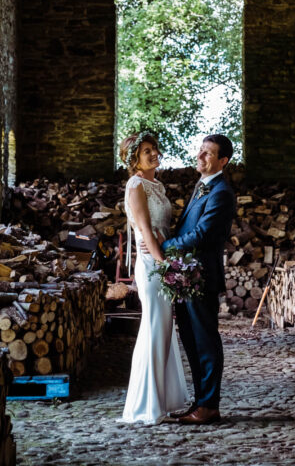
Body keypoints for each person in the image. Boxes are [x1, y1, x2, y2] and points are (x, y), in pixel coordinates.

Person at [160, 134, 236, 425]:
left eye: (208, 153)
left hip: (201, 276)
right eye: (201, 150)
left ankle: (209, 406)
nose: (200, 156)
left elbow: (202, 235)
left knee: (205, 342)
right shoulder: (202, 186)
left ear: (222, 161)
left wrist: (163, 247)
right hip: (186, 276)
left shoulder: (221, 192)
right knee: (191, 341)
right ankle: (200, 401)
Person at [118, 132, 190, 424]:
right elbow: (145, 231)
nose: (153, 153)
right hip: (151, 266)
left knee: (164, 331)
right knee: (153, 329)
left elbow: (161, 228)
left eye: (154, 149)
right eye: (146, 151)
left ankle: (163, 399)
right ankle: (146, 406)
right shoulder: (136, 185)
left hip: (162, 258)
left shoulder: (156, 184)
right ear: (134, 158)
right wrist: (168, 267)